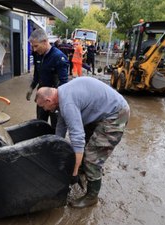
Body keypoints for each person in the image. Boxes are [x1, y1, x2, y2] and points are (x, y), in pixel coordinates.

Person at [35, 77, 130, 208]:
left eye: (43, 106)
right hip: (100, 111)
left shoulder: (67, 103)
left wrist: (74, 173)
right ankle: (84, 171)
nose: (44, 110)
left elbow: (77, 138)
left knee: (92, 157)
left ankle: (92, 197)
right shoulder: (61, 95)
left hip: (115, 114)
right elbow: (61, 127)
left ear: (48, 100)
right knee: (86, 146)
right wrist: (56, 152)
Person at [26, 29, 69, 130]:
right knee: (40, 124)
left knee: (56, 127)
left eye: (36, 46)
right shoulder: (37, 55)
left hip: (54, 99)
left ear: (45, 41)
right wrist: (32, 87)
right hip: (42, 97)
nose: (34, 49)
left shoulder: (58, 57)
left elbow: (64, 82)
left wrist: (58, 102)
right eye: (32, 46)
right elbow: (37, 73)